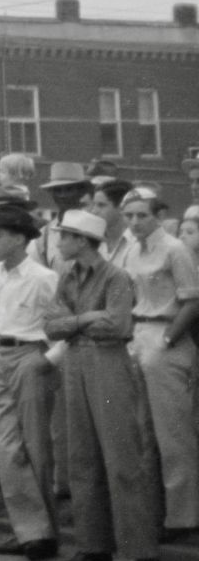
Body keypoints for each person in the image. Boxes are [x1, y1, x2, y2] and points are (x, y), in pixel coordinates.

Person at [46, 210, 160, 561]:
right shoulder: (67, 276)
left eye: (64, 236)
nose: (59, 243)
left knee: (121, 456)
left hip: (108, 362)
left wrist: (75, 322)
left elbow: (119, 324)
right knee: (82, 457)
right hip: (77, 361)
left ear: (82, 240)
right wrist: (85, 319)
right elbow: (52, 325)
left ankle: (142, 551)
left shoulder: (116, 277)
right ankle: (94, 546)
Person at [110, 187, 199, 538]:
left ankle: (184, 516)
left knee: (173, 434)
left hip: (167, 339)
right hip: (138, 337)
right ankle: (154, 511)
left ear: (158, 216)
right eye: (129, 215)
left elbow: (192, 301)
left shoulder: (175, 250)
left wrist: (166, 339)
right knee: (142, 432)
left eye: (142, 215)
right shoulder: (132, 249)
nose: (134, 222)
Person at [0, 203, 62, 561]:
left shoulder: (44, 279)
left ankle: (44, 534)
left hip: (31, 356)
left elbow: (65, 327)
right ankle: (27, 529)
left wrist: (46, 360)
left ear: (18, 238)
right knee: (7, 445)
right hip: (1, 357)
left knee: (35, 446)